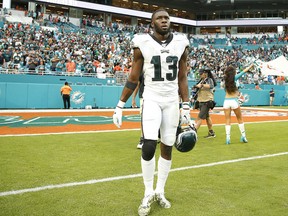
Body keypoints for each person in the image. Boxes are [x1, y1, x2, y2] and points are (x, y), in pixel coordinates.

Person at [112, 8, 191, 216]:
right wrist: (120, 104)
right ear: (152, 23)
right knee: (148, 145)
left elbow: (182, 77)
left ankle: (160, 191)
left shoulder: (181, 42)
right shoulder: (141, 43)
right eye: (160, 18)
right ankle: (147, 192)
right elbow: (133, 77)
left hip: (172, 100)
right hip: (152, 99)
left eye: (167, 18)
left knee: (167, 146)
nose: (164, 21)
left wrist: (186, 105)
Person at [223, 64, 254, 144]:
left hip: (226, 101)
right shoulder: (234, 78)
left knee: (227, 120)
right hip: (234, 101)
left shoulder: (224, 80)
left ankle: (228, 138)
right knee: (240, 119)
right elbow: (244, 71)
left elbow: (225, 89)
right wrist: (251, 66)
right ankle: (244, 136)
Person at [194, 68, 217, 138]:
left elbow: (211, 86)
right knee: (207, 117)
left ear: (205, 73)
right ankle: (211, 132)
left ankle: (193, 132)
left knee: (200, 117)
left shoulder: (209, 80)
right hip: (201, 100)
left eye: (201, 74)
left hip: (207, 101)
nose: (200, 75)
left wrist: (201, 85)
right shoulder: (201, 80)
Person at [131, 73, 145, 149]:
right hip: (143, 96)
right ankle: (142, 138)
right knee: (143, 118)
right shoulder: (142, 70)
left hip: (155, 96)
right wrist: (133, 98)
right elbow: (138, 84)